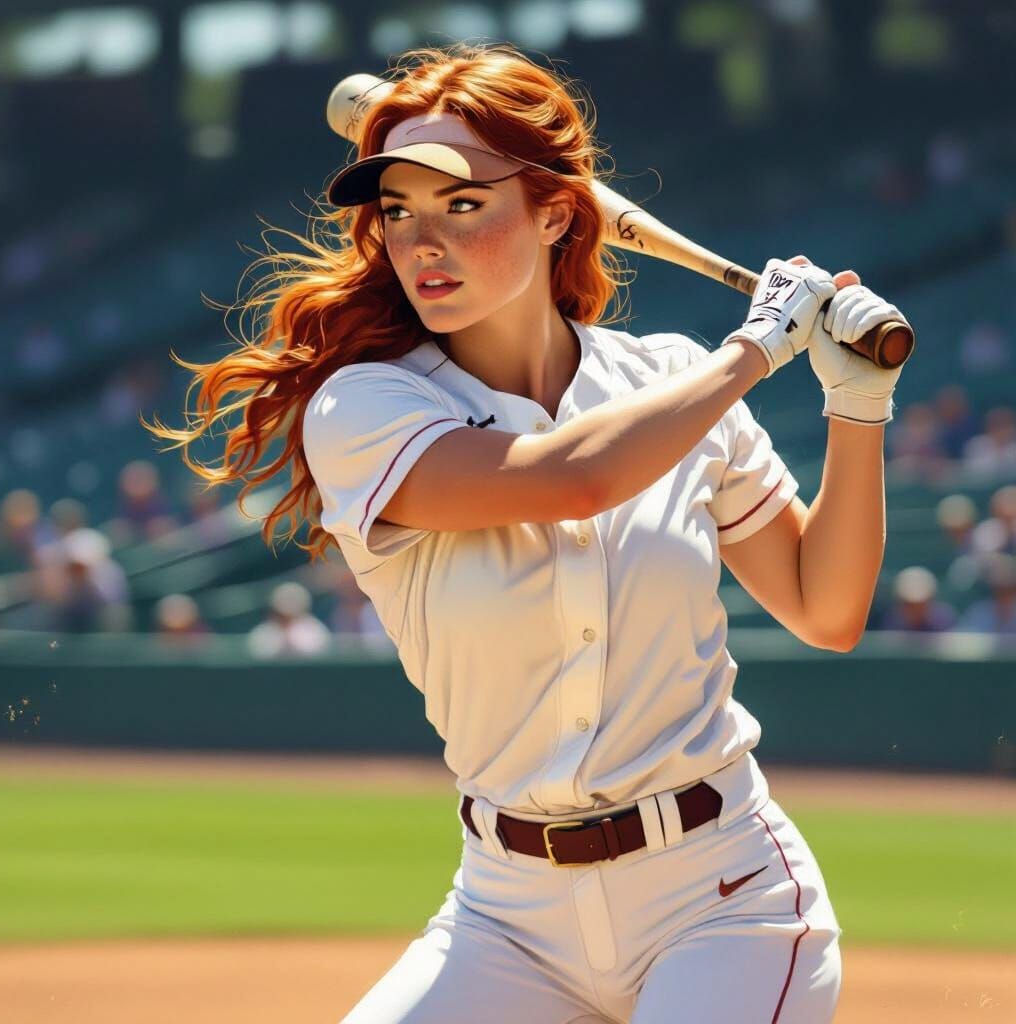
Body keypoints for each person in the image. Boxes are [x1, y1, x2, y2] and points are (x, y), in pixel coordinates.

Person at [146, 43, 911, 1024]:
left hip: (723, 903)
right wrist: (754, 350)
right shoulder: (364, 409)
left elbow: (827, 607)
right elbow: (575, 479)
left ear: (555, 212)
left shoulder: (668, 382)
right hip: (505, 916)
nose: (424, 243)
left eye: (463, 205)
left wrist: (856, 407)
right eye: (400, 212)